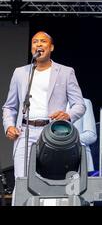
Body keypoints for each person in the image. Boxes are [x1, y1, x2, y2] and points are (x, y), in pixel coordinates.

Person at [2, 31, 86, 180]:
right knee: (22, 180)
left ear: (51, 47)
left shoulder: (66, 72)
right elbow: (9, 106)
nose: (38, 44)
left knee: (51, 180)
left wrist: (68, 115)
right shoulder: (20, 73)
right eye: (35, 42)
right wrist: (9, 126)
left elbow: (79, 105)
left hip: (53, 133)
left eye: (43, 41)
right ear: (31, 48)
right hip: (24, 132)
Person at [70, 98, 97, 173]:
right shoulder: (50, 104)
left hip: (79, 161)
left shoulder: (84, 102)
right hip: (54, 160)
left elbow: (91, 135)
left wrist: (69, 140)